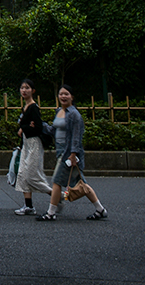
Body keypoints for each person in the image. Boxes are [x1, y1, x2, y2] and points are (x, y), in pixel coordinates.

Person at [37, 84, 108, 221]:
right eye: (61, 94)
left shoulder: (74, 114)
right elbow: (53, 130)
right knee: (82, 183)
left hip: (68, 154)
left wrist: (73, 154)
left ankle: (51, 213)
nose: (63, 96)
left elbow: (77, 136)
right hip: (62, 153)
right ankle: (100, 209)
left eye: (66, 94)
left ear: (72, 97)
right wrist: (40, 125)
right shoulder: (59, 111)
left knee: (57, 181)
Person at [13, 77, 53, 215]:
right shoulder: (25, 107)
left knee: (31, 175)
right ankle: (28, 205)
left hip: (34, 143)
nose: (24, 90)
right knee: (22, 174)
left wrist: (23, 127)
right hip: (26, 144)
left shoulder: (34, 107)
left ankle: (54, 195)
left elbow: (38, 127)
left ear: (33, 91)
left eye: (27, 88)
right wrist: (25, 127)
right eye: (22, 88)